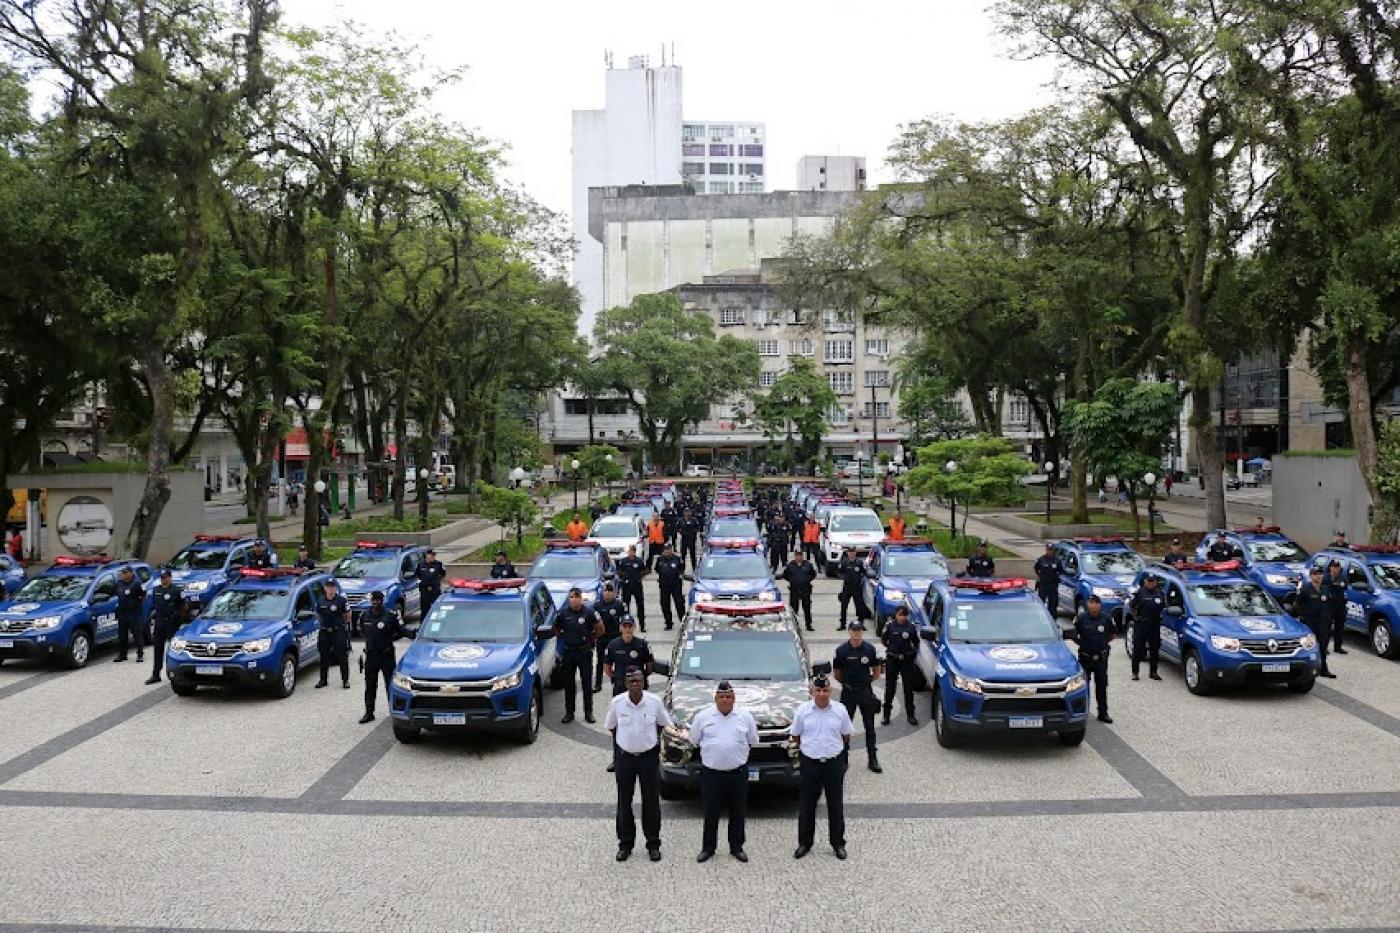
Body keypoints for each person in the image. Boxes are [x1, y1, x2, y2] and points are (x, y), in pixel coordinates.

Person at [606, 668, 673, 862]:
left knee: (651, 802)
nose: (635, 684)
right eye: (631, 681)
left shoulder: (654, 702)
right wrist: (627, 743)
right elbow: (612, 727)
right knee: (624, 801)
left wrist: (649, 742)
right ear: (626, 684)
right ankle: (625, 844)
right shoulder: (617, 703)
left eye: (638, 680)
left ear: (643, 682)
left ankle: (653, 844)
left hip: (648, 758)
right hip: (625, 758)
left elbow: (663, 723)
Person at [689, 681, 758, 863]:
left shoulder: (745, 717)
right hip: (712, 774)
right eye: (721, 697)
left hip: (737, 773)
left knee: (738, 812)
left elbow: (752, 740)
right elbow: (694, 739)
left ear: (734, 698)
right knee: (710, 812)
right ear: (715, 698)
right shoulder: (703, 717)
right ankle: (708, 848)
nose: (725, 700)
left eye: (728, 696)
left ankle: (737, 847)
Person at [790, 672, 852, 860]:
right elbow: (796, 735)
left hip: (833, 763)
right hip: (810, 763)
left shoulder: (840, 710)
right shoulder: (803, 711)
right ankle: (804, 843)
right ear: (812, 692)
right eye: (818, 690)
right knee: (806, 804)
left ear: (830, 691)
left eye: (825, 690)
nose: (822, 694)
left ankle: (838, 843)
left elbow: (846, 735)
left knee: (835, 804)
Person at [833, 621, 882, 772]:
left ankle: (873, 759)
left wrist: (865, 682)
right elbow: (837, 674)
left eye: (859, 629)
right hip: (848, 693)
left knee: (870, 726)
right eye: (854, 629)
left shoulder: (870, 649)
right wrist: (848, 684)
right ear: (849, 631)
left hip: (865, 692)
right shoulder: (841, 651)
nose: (857, 632)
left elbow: (877, 671)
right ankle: (843, 759)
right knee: (844, 727)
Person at [553, 587, 604, 723]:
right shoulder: (563, 613)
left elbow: (600, 628)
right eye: (571, 597)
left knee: (587, 684)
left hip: (584, 652)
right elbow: (556, 628)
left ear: (581, 598)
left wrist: (591, 639)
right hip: (569, 653)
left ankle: (588, 713)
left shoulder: (589, 612)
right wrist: (564, 637)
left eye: (577, 597)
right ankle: (569, 713)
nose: (574, 600)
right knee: (569, 685)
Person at [358, 590, 402, 723]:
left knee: (390, 685)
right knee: (370, 685)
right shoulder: (364, 615)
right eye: (374, 600)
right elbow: (362, 631)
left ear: (382, 601)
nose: (376, 602)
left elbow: (399, 631)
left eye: (378, 600)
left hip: (386, 655)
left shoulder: (390, 615)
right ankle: (369, 713)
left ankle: (394, 712)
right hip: (371, 655)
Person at [1068, 594, 1113, 722]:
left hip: (1101, 659)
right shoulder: (1081, 618)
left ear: (1100, 605)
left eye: (1096, 603)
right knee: (1083, 687)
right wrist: (1083, 644)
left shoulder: (1106, 618)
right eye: (1091, 603)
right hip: (1085, 658)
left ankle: (1103, 713)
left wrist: (1102, 644)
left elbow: (1112, 634)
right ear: (1087, 604)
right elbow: (1073, 634)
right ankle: (1083, 713)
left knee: (1102, 686)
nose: (1093, 605)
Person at [144, 567, 184, 685]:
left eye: (165, 577)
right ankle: (156, 674)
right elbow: (154, 606)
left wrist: (177, 618)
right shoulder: (156, 590)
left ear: (170, 577)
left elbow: (183, 606)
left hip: (172, 624)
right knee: (158, 649)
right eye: (161, 578)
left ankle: (175, 673)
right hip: (160, 623)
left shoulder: (177, 590)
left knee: (174, 650)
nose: (163, 580)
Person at [880, 605, 919, 726]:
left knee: (908, 689)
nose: (902, 618)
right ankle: (886, 715)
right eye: (900, 615)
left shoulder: (911, 627)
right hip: (892, 660)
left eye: (904, 615)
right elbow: (884, 640)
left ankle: (911, 715)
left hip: (907, 661)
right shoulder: (890, 626)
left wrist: (911, 653)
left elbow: (916, 643)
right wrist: (892, 649)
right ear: (896, 615)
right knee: (890, 688)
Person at [1296, 567, 1336, 678]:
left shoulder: (1325, 589)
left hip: (1323, 622)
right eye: (1315, 574)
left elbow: (1331, 604)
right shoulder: (1305, 589)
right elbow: (1297, 604)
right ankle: (1308, 669)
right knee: (1309, 647)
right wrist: (1302, 617)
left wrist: (1329, 618)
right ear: (1311, 576)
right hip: (1310, 623)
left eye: (1320, 574)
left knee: (1323, 647)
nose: (1318, 576)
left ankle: (1323, 669)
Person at [314, 578, 351, 689]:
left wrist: (341, 625)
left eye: (332, 587)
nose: (330, 589)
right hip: (325, 631)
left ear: (335, 588)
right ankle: (323, 680)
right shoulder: (320, 600)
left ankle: (345, 680)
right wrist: (324, 625)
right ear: (325, 588)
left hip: (338, 631)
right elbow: (318, 615)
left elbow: (347, 615)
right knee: (324, 656)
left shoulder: (341, 600)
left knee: (342, 656)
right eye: (328, 587)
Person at [592, 582, 628, 692]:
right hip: (602, 637)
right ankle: (598, 684)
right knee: (600, 661)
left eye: (610, 591)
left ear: (614, 592)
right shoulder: (597, 606)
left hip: (616, 637)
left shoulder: (620, 605)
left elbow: (626, 620)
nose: (607, 593)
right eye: (605, 591)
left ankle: (618, 681)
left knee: (618, 660)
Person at [1130, 574, 1165, 681]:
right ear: (1145, 581)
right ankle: (1135, 672)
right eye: (1148, 581)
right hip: (1142, 624)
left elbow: (1163, 606)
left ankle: (1153, 672)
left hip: (1155, 624)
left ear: (1155, 582)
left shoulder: (1160, 592)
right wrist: (1136, 618)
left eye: (1152, 581)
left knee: (1154, 649)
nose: (1150, 583)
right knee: (1138, 649)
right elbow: (1132, 606)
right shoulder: (1140, 592)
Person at [778, 549, 818, 632]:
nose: (799, 557)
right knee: (794, 609)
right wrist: (792, 580)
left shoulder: (808, 565)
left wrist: (807, 580)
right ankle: (794, 625)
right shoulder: (790, 565)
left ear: (802, 556)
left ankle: (808, 624)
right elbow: (786, 575)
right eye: (797, 555)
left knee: (807, 608)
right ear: (795, 556)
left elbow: (813, 574)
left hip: (805, 589)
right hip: (794, 590)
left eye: (800, 555)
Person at [113, 565, 145, 664]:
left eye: (125, 573)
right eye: (122, 573)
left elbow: (144, 595)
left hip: (134, 613)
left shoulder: (137, 583)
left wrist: (138, 604)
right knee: (122, 635)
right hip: (122, 613)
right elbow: (116, 594)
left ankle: (140, 654)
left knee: (137, 634)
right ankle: (122, 654)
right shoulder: (119, 583)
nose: (123, 574)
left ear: (131, 573)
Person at [836, 548, 870, 631]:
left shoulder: (859, 563)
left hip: (857, 588)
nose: (851, 554)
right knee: (844, 606)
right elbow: (839, 572)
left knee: (859, 606)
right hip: (847, 587)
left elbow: (864, 572)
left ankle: (861, 623)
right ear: (848, 553)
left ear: (855, 553)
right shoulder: (844, 562)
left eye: (853, 552)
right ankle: (842, 624)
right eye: (850, 552)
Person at [654, 543, 686, 631]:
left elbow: (682, 569)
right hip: (664, 586)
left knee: (679, 604)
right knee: (665, 605)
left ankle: (683, 622)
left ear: (671, 550)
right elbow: (657, 569)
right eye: (665, 549)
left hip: (675, 585)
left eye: (668, 549)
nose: (667, 551)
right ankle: (668, 623)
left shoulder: (677, 559)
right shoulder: (660, 559)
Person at [617, 544, 648, 632]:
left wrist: (639, 576)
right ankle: (626, 625)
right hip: (627, 586)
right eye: (630, 551)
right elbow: (619, 571)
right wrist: (623, 577)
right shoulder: (623, 561)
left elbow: (645, 570)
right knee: (626, 606)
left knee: (640, 605)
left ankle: (642, 626)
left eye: (632, 551)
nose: (631, 553)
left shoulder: (639, 561)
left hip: (637, 585)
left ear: (635, 552)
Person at [413, 548, 446, 619]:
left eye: (434, 555)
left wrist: (437, 581)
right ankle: (424, 623)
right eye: (432, 555)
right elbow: (416, 576)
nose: (433, 557)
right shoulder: (420, 565)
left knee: (437, 608)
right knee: (425, 609)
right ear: (427, 555)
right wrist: (421, 582)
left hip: (435, 590)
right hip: (424, 590)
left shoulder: (438, 564)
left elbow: (443, 574)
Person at [1324, 560, 1349, 654]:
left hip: (1340, 605)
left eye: (1337, 567)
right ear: (1330, 568)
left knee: (1339, 627)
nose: (1336, 569)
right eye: (1334, 567)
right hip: (1329, 605)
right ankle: (1324, 647)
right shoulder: (1326, 578)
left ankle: (1338, 647)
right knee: (1327, 627)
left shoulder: (1342, 578)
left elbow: (1344, 587)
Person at [1033, 543, 1062, 617]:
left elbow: (1060, 571)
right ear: (1046, 550)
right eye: (1048, 550)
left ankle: (1052, 618)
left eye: (1051, 550)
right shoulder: (1041, 559)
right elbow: (1036, 568)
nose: (1050, 551)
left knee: (1053, 603)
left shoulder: (1057, 560)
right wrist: (1039, 577)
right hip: (1043, 584)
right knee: (1041, 602)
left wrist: (1056, 577)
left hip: (1053, 585)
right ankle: (1041, 617)